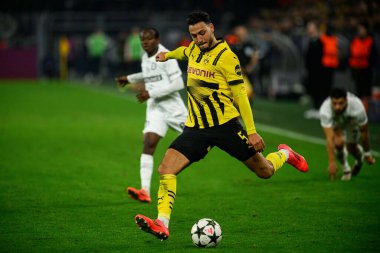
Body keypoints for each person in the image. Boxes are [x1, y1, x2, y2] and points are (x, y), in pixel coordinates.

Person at [133, 11, 309, 241]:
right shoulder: (194, 48)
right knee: (166, 169)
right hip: (195, 128)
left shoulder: (227, 57)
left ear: (212, 28)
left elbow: (241, 95)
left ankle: (285, 153)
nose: (199, 39)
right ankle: (162, 223)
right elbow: (184, 52)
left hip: (226, 127)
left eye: (202, 33)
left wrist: (252, 131)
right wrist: (167, 56)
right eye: (194, 35)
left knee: (264, 171)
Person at [115, 28, 187, 203]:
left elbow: (178, 83)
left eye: (148, 39)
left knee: (203, 139)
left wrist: (151, 93)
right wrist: (130, 79)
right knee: (149, 143)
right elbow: (149, 74)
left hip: (174, 109)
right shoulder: (145, 57)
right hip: (156, 108)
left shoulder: (167, 56)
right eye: (142, 40)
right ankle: (145, 190)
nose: (145, 42)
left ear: (157, 40)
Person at [319, 87, 376, 181]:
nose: (337, 107)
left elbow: (364, 131)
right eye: (334, 103)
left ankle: (359, 161)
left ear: (346, 100)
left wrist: (367, 153)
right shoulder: (325, 110)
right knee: (338, 143)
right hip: (336, 121)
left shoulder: (357, 107)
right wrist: (332, 163)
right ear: (330, 102)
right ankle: (346, 169)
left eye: (341, 103)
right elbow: (330, 138)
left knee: (351, 148)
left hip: (351, 122)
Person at [226, 25, 259, 101]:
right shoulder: (232, 44)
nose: (240, 36)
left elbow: (255, 56)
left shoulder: (250, 45)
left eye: (241, 34)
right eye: (238, 34)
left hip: (246, 72)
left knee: (249, 92)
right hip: (235, 72)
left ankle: (248, 107)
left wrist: (250, 67)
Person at [348, 22, 376, 111]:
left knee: (366, 91)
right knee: (357, 90)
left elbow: (373, 57)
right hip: (356, 69)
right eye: (359, 29)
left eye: (362, 29)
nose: (360, 31)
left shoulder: (370, 41)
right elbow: (351, 54)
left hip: (366, 70)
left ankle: (366, 110)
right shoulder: (355, 40)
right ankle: (358, 109)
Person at [303, 21, 324, 119]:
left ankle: (319, 109)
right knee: (313, 89)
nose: (309, 29)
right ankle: (315, 108)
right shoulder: (310, 40)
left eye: (310, 27)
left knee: (319, 89)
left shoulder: (320, 41)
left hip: (319, 70)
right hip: (312, 70)